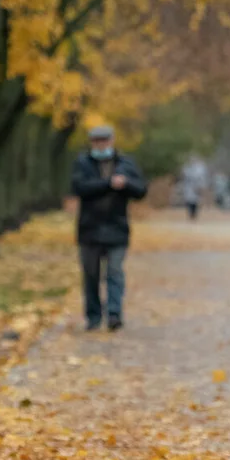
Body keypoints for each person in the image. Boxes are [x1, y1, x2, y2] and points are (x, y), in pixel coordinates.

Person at [70, 124, 148, 331]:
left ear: (112, 140)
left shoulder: (125, 164)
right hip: (90, 229)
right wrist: (108, 184)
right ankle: (93, 316)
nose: (101, 144)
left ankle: (114, 313)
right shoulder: (83, 163)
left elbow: (141, 190)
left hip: (117, 227)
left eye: (104, 140)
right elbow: (79, 188)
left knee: (114, 271)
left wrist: (126, 184)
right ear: (91, 142)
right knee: (91, 275)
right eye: (97, 140)